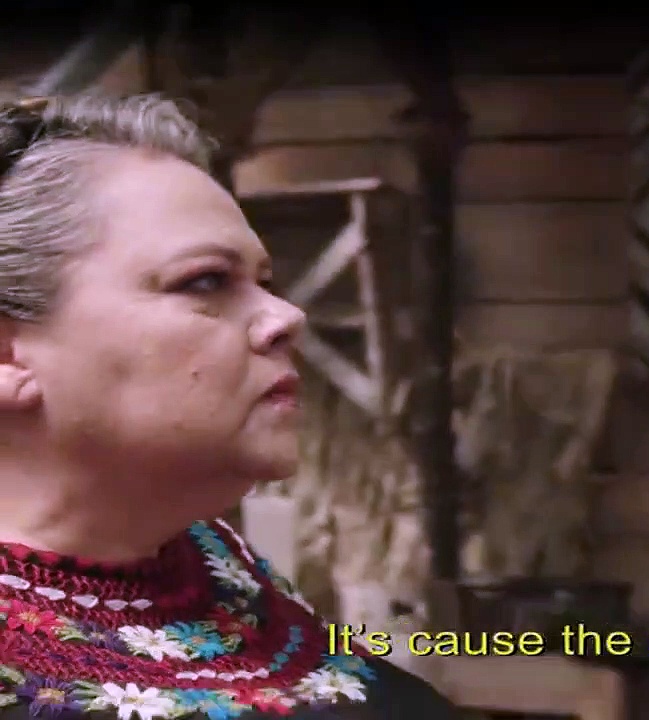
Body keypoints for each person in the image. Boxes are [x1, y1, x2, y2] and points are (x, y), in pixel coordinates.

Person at [0, 94, 458, 719]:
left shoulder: (215, 568)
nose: (287, 316)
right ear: (9, 356)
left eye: (264, 282)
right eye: (206, 280)